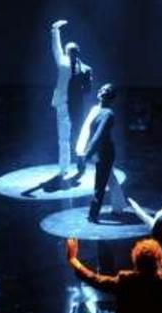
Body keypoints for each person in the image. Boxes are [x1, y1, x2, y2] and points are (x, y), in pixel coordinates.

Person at [76, 83, 126, 222]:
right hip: (99, 151)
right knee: (109, 178)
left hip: (104, 153)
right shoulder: (96, 110)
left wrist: (87, 154)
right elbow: (87, 131)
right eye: (102, 89)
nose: (103, 91)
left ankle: (93, 214)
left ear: (111, 97)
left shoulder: (108, 114)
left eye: (107, 90)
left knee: (100, 184)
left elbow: (98, 136)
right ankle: (119, 206)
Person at [51, 19, 93, 180]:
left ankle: (81, 162)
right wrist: (55, 30)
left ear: (78, 52)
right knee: (63, 138)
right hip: (62, 104)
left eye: (73, 51)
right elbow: (56, 47)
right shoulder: (62, 62)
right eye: (68, 51)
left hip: (77, 106)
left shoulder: (86, 69)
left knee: (80, 136)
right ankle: (63, 168)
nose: (70, 54)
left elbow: (88, 90)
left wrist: (85, 84)